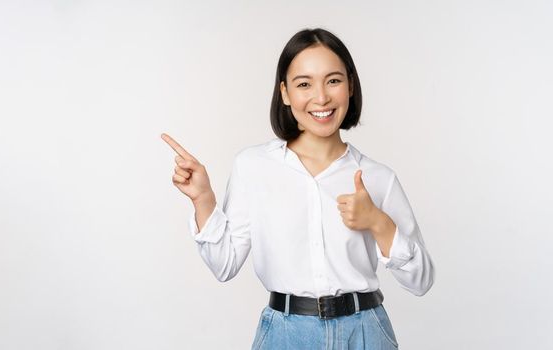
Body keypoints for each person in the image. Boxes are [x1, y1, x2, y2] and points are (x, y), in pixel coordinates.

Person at [161, 28, 434, 349]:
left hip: (365, 333)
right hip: (285, 335)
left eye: (333, 80)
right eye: (304, 84)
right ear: (285, 93)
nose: (321, 97)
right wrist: (203, 199)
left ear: (350, 87)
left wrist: (378, 222)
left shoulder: (378, 177)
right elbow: (224, 265)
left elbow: (421, 281)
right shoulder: (253, 165)